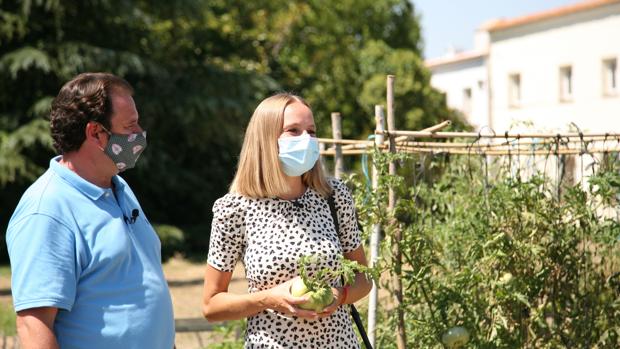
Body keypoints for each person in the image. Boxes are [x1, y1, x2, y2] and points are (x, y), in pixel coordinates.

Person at [6, 73, 175, 349]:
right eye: (130, 125)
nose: (139, 134)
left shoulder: (119, 188)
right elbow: (33, 325)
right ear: (95, 132)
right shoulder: (47, 209)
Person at [202, 93, 372, 348]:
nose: (306, 140)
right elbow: (211, 305)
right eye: (293, 131)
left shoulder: (334, 197)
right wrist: (268, 299)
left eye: (311, 131)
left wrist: (341, 295)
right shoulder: (234, 208)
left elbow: (363, 278)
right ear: (265, 139)